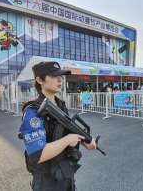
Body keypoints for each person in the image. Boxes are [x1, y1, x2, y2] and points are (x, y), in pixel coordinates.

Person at [18, 61, 97, 191]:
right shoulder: (33, 111)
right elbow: (38, 154)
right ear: (39, 80)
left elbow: (67, 130)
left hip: (65, 175)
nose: (60, 80)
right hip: (47, 181)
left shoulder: (60, 105)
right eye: (54, 76)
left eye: (60, 76)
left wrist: (85, 141)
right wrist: (67, 140)